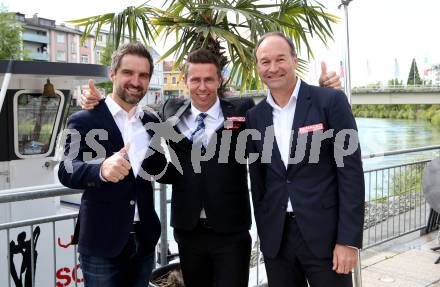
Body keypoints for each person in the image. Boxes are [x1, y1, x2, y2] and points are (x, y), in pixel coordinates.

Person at [81, 48, 342, 287]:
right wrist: (98, 101)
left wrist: (319, 96)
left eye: (209, 80)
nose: (202, 87)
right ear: (186, 82)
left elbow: (283, 118)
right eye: (195, 80)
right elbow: (128, 109)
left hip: (232, 231)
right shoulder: (169, 111)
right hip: (188, 231)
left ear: (219, 81)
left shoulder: (242, 111)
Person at [246, 32, 365, 287]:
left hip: (327, 238)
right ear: (258, 67)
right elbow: (259, 182)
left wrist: (348, 240)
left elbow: (351, 174)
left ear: (294, 59)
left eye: (280, 59)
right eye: (265, 62)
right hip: (277, 240)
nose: (273, 68)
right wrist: (265, 233)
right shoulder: (255, 117)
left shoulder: (329, 101)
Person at [58, 42, 167, 287]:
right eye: (128, 72)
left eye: (143, 75)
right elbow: (67, 170)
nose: (135, 81)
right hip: (101, 242)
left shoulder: (151, 121)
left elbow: (159, 167)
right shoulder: (84, 119)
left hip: (145, 240)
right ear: (113, 74)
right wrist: (101, 170)